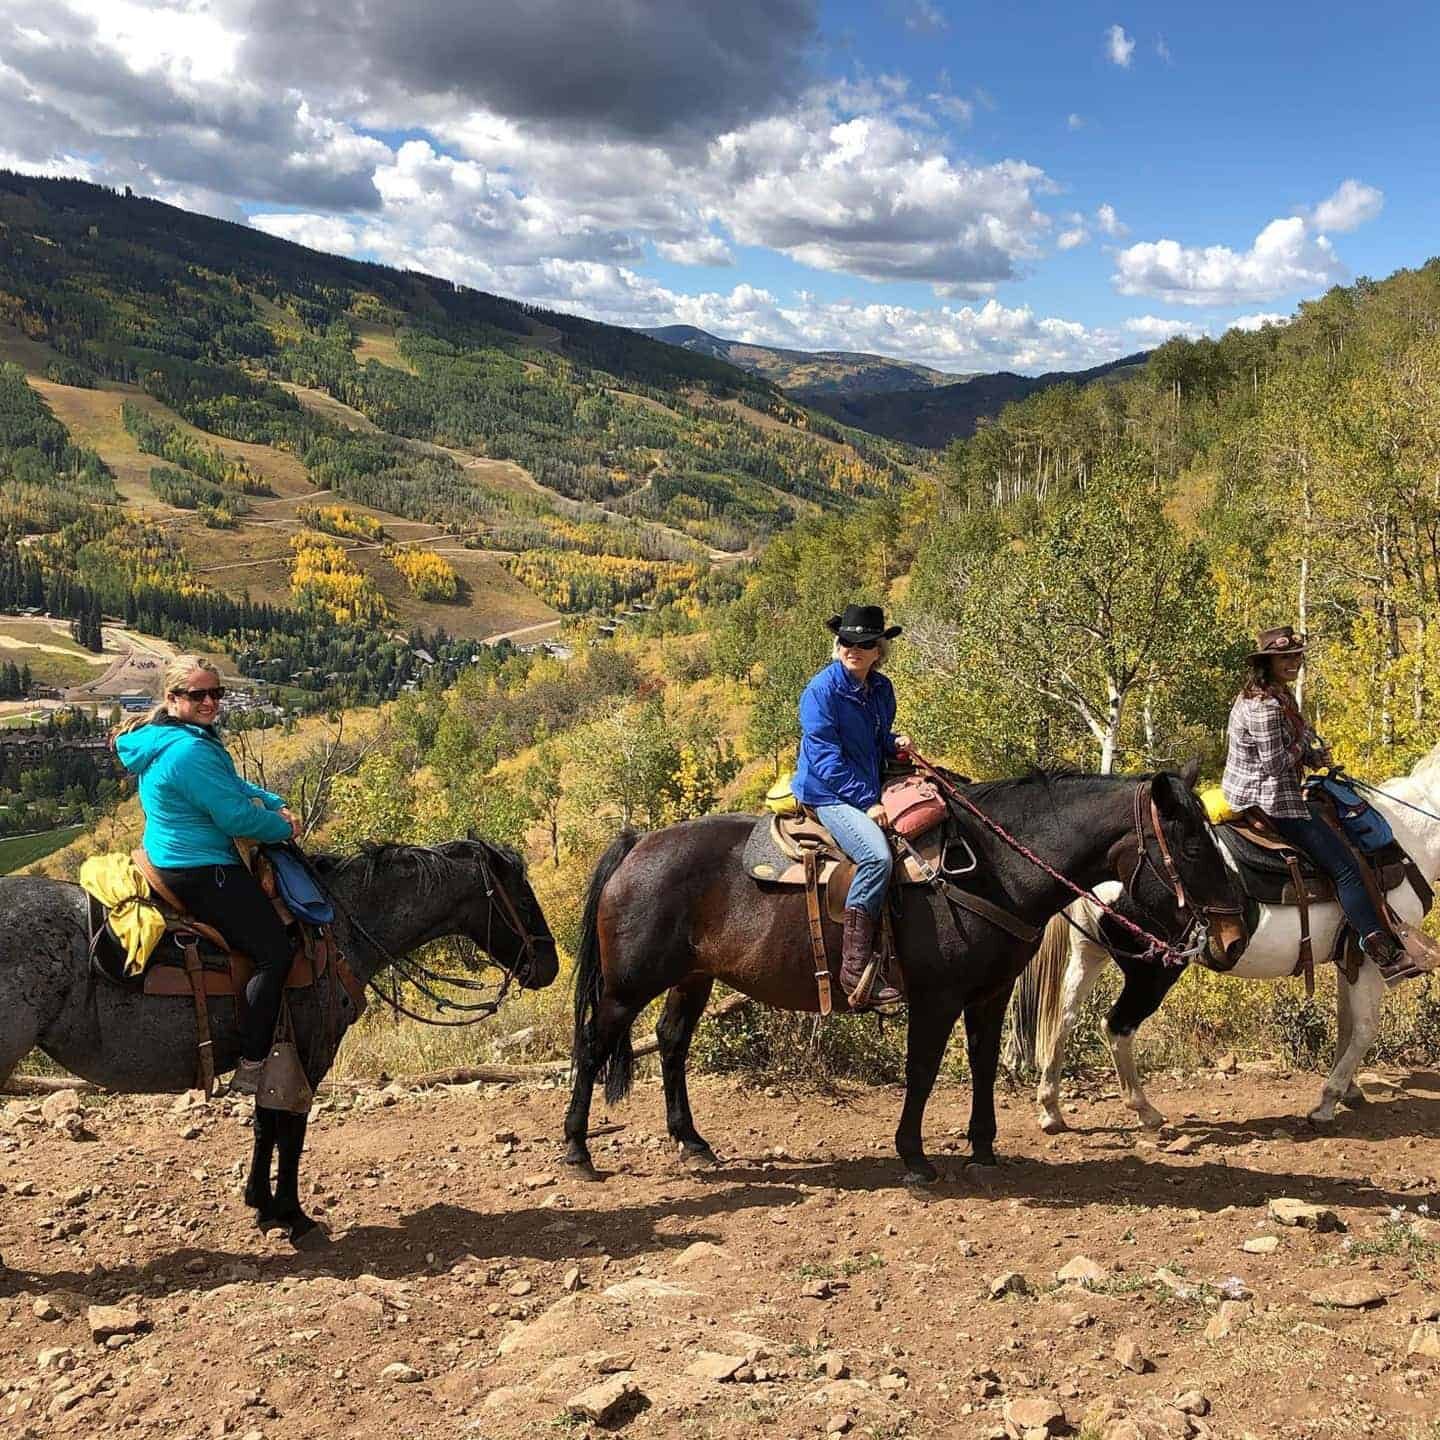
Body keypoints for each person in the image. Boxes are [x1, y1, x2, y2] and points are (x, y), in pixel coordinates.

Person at [115, 658, 302, 1092]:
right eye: (198, 695)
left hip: (170, 854)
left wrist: (270, 799)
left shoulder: (167, 737)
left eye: (215, 693)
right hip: (199, 867)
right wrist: (283, 825)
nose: (209, 702)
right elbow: (235, 817)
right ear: (173, 698)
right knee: (275, 951)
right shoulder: (191, 750)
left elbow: (231, 787)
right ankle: (252, 1066)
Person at [1221, 626, 1418, 985]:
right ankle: (1382, 952)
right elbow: (1274, 763)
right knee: (1345, 868)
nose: (1293, 662)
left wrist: (1312, 755)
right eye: (1286, 657)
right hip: (1269, 800)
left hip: (1274, 790)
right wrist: (1304, 752)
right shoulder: (1264, 706)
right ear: (1267, 663)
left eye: (1297, 656)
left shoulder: (1278, 696)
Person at [792, 604, 912, 1008]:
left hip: (866, 783)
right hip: (827, 792)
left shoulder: (881, 690)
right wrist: (868, 803)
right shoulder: (820, 692)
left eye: (863, 643)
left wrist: (893, 744)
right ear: (837, 644)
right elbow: (826, 759)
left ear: (878, 650)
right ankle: (855, 968)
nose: (853, 649)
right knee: (877, 858)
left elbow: (874, 739)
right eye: (846, 641)